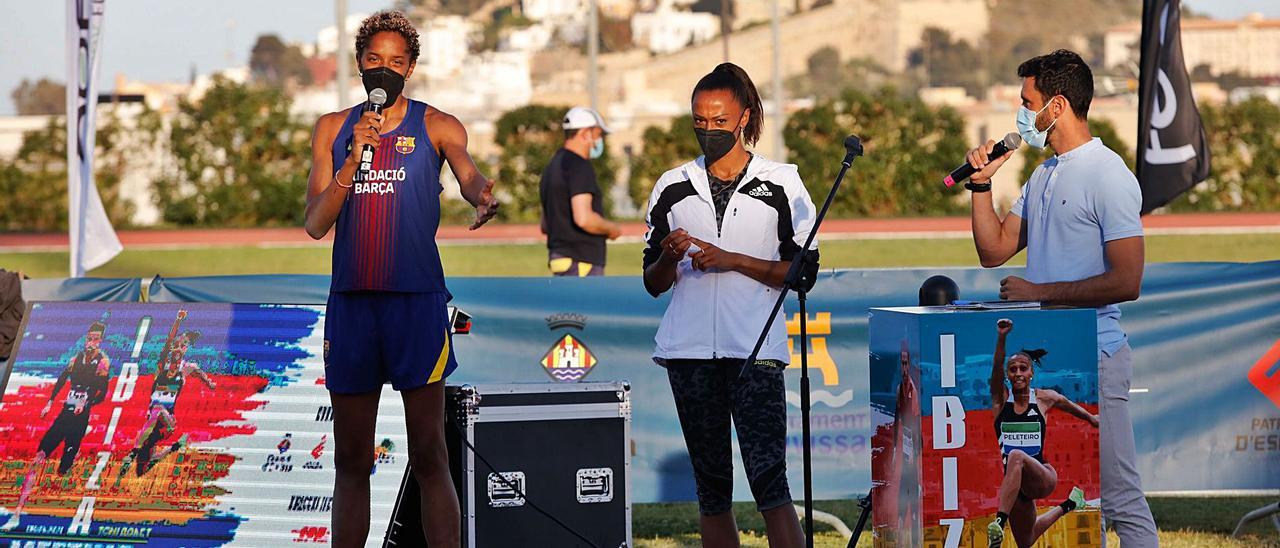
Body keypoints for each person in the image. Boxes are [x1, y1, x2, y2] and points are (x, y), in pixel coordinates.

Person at [302, 10, 498, 547]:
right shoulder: (333, 128)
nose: (384, 69)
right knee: (351, 457)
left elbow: (468, 173)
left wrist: (482, 194)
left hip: (415, 303)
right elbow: (316, 222)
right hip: (354, 305)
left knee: (430, 450)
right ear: (360, 65)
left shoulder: (437, 124)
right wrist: (352, 160)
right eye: (373, 60)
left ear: (410, 68)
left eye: (396, 61)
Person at [964, 49, 1158, 546]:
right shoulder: (1043, 174)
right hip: (1052, 355)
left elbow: (1127, 280)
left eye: (1027, 102)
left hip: (1097, 353)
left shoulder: (1108, 173)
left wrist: (1039, 294)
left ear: (1058, 105)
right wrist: (982, 185)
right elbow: (995, 250)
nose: (1021, 113)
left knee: (1118, 496)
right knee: (1047, 493)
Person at [642, 62, 817, 548]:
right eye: (700, 121)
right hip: (689, 352)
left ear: (744, 118)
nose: (709, 130)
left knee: (769, 481)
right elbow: (653, 282)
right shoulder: (672, 185)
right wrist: (668, 255)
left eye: (720, 121)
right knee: (712, 488)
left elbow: (803, 272)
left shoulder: (782, 182)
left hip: (755, 350)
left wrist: (733, 260)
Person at [986, 319, 1094, 548]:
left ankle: (998, 522)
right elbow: (995, 367)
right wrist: (1002, 337)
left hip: (1041, 476)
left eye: (1023, 368)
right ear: (1007, 375)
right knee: (1026, 541)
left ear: (1031, 373)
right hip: (1017, 490)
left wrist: (1092, 419)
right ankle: (1071, 504)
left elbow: (1068, 404)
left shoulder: (1043, 398)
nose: (1017, 373)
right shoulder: (1001, 401)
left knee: (1015, 456)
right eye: (1012, 369)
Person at [1, 319, 111, 531]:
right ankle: (16, 514)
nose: (91, 342)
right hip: (64, 414)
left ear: (100, 341)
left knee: (63, 469)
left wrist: (86, 402)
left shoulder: (102, 362)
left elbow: (103, 394)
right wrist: (49, 403)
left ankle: (74, 452)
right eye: (89, 338)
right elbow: (62, 380)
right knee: (38, 458)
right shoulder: (75, 359)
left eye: (95, 339)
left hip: (80, 418)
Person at [115, 309, 215, 485]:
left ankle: (132, 453)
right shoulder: (162, 365)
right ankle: (174, 447)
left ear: (186, 349)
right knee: (143, 469)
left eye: (183, 345)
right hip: (151, 426)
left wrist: (209, 383)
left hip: (167, 422)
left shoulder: (186, 368)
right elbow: (169, 339)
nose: (178, 347)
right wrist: (177, 320)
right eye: (177, 344)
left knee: (158, 409)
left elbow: (199, 373)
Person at [539, 106, 623, 276]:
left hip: (559, 258)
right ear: (586, 133)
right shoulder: (579, 165)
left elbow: (545, 225)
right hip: (582, 262)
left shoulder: (552, 166)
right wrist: (611, 228)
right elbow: (584, 218)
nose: (599, 141)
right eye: (598, 135)